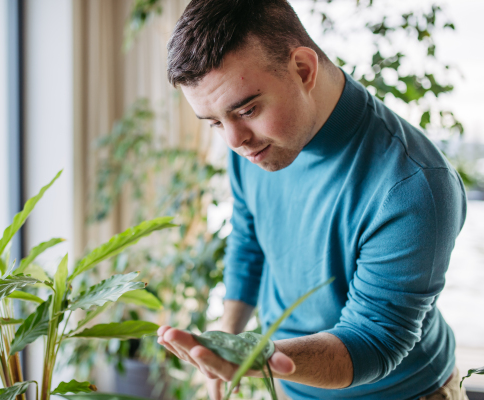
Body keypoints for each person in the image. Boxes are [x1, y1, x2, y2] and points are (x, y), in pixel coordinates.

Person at [156, 1, 469, 399]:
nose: (234, 141)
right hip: (291, 385)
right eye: (215, 122)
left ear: (303, 69)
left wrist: (254, 357)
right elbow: (249, 241)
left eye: (247, 109)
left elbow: (374, 341)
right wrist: (229, 333)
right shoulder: (255, 144)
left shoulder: (414, 183)